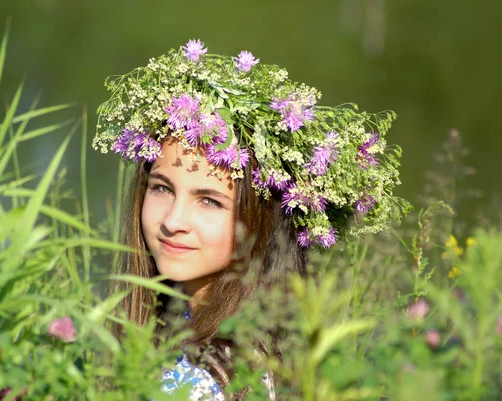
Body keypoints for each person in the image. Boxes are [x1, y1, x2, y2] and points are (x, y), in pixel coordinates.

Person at [93, 39, 407, 400]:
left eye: (209, 201)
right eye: (162, 188)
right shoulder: (181, 323)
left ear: (262, 220)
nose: (173, 220)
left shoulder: (220, 378)